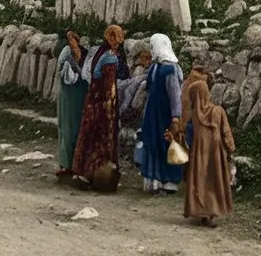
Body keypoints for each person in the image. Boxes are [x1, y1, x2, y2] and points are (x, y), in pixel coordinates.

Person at [71, 24, 126, 190]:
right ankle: (98, 176)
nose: (117, 43)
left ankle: (84, 173)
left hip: (92, 103)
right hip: (103, 107)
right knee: (101, 141)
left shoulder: (101, 53)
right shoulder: (109, 58)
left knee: (89, 137)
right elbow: (110, 87)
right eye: (115, 39)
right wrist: (111, 107)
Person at [178, 79, 236, 227]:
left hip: (199, 155)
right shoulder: (218, 111)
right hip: (216, 154)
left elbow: (188, 135)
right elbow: (226, 132)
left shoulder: (195, 117)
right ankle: (211, 213)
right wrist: (230, 149)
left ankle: (202, 211)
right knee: (214, 181)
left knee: (200, 182)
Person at [137, 33, 186, 194]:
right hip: (153, 114)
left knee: (167, 144)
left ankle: (169, 181)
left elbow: (175, 95)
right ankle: (155, 179)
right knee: (153, 143)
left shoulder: (170, 70)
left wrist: (175, 117)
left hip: (165, 115)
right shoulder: (156, 66)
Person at [56, 30, 90, 177]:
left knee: (71, 129)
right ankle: (68, 164)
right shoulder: (71, 52)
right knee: (68, 129)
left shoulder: (80, 53)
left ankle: (72, 164)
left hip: (73, 95)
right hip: (71, 95)